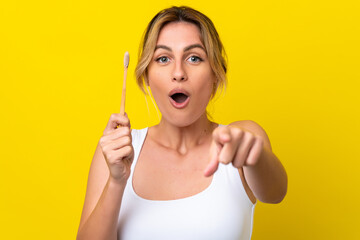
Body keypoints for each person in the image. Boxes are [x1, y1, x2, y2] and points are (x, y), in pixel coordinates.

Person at [77, 6, 287, 240]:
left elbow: (276, 193)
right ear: (146, 75)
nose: (178, 73)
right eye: (163, 58)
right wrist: (116, 182)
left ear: (215, 74)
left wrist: (254, 156)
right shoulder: (116, 150)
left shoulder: (241, 138)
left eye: (194, 58)